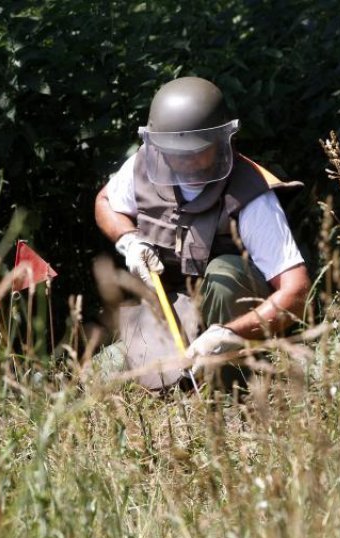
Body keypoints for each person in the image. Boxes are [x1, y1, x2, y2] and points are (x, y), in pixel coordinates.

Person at [95, 76, 310, 390]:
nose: (186, 160)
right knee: (98, 379)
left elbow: (297, 292)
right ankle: (178, 388)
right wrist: (128, 239)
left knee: (227, 273)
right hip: (173, 311)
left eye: (197, 151)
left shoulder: (251, 194)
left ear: (221, 141)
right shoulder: (142, 165)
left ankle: (231, 393)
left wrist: (232, 334)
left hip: (236, 323)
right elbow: (105, 202)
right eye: (175, 151)